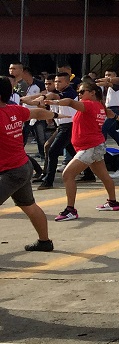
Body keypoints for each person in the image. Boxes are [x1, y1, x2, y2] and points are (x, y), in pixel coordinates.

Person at [45, 80, 119, 221]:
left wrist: (54, 102)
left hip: (90, 147)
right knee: (104, 176)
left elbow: (69, 102)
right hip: (95, 146)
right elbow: (109, 114)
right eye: (78, 92)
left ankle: (70, 210)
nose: (79, 94)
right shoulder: (99, 106)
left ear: (92, 93)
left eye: (81, 92)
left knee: (67, 175)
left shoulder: (89, 105)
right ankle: (113, 202)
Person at [0, 77, 57, 251]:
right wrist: (53, 115)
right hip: (22, 167)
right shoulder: (15, 110)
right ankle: (44, 242)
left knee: (29, 206)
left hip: (11, 172)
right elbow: (36, 113)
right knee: (29, 206)